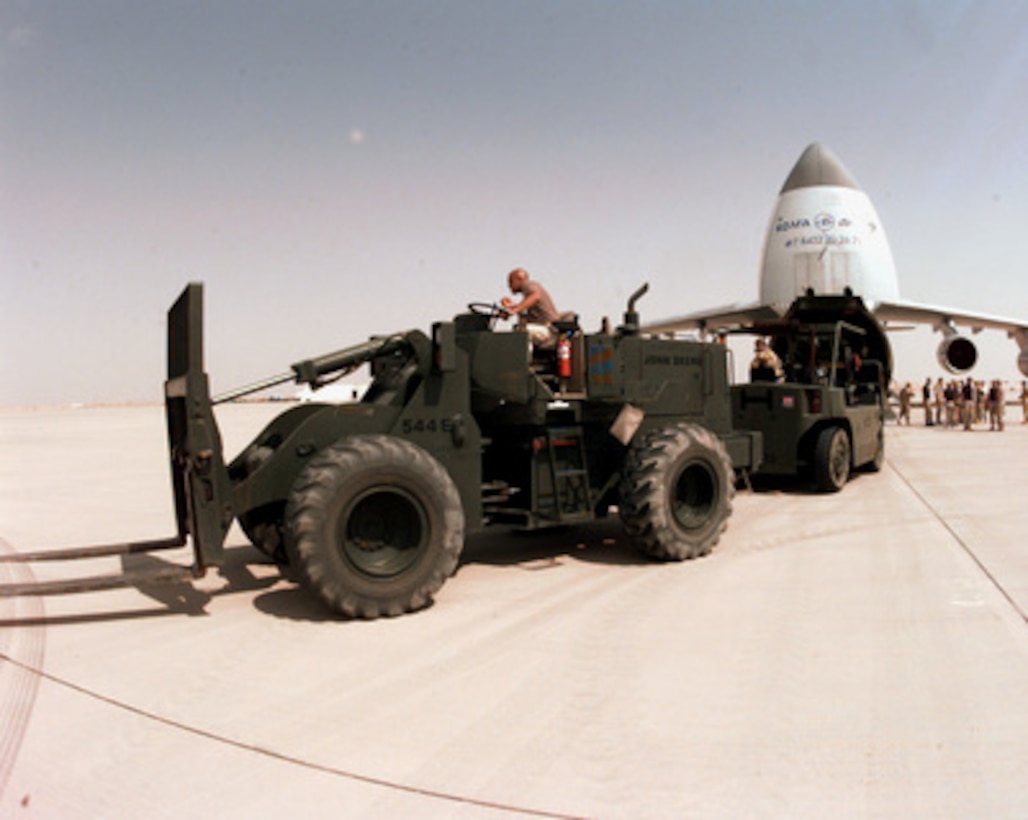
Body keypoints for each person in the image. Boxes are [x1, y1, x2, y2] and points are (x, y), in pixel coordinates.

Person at [500, 267, 561, 349]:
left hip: (549, 329)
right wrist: (511, 309)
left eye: (511, 281)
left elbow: (535, 296)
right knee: (519, 327)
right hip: (546, 328)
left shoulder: (528, 285)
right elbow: (525, 310)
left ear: (519, 279)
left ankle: (522, 360)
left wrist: (515, 310)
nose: (509, 285)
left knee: (520, 332)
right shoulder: (528, 297)